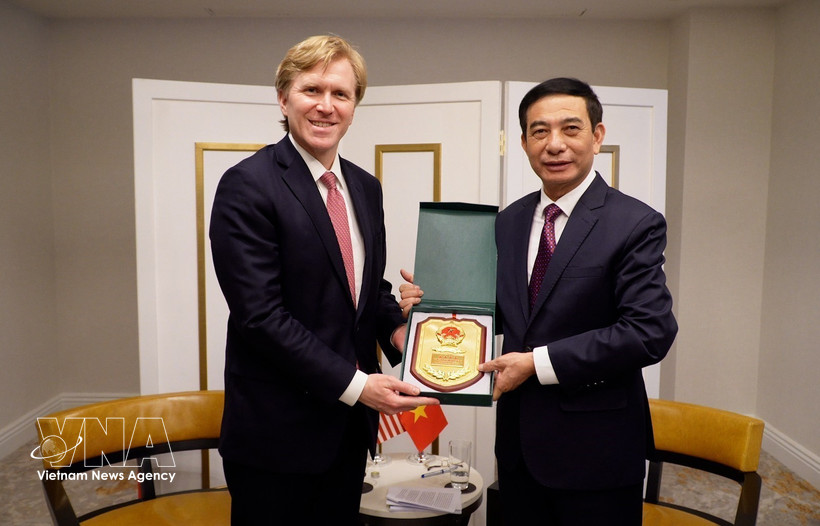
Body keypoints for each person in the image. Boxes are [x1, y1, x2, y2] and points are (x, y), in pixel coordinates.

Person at [402, 77, 677, 525]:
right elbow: (500, 311)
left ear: (597, 136)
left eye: (571, 128)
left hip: (597, 453)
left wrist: (536, 364)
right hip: (518, 451)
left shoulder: (634, 222)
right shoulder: (508, 221)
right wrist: (434, 305)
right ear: (523, 142)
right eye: (539, 131)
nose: (555, 144)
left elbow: (650, 332)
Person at [209, 35, 438, 525]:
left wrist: (403, 333)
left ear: (354, 107)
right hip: (276, 436)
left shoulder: (365, 187)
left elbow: (366, 288)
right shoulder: (247, 185)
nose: (326, 106)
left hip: (348, 431)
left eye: (341, 94)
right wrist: (357, 386)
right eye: (311, 90)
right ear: (283, 98)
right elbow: (261, 317)